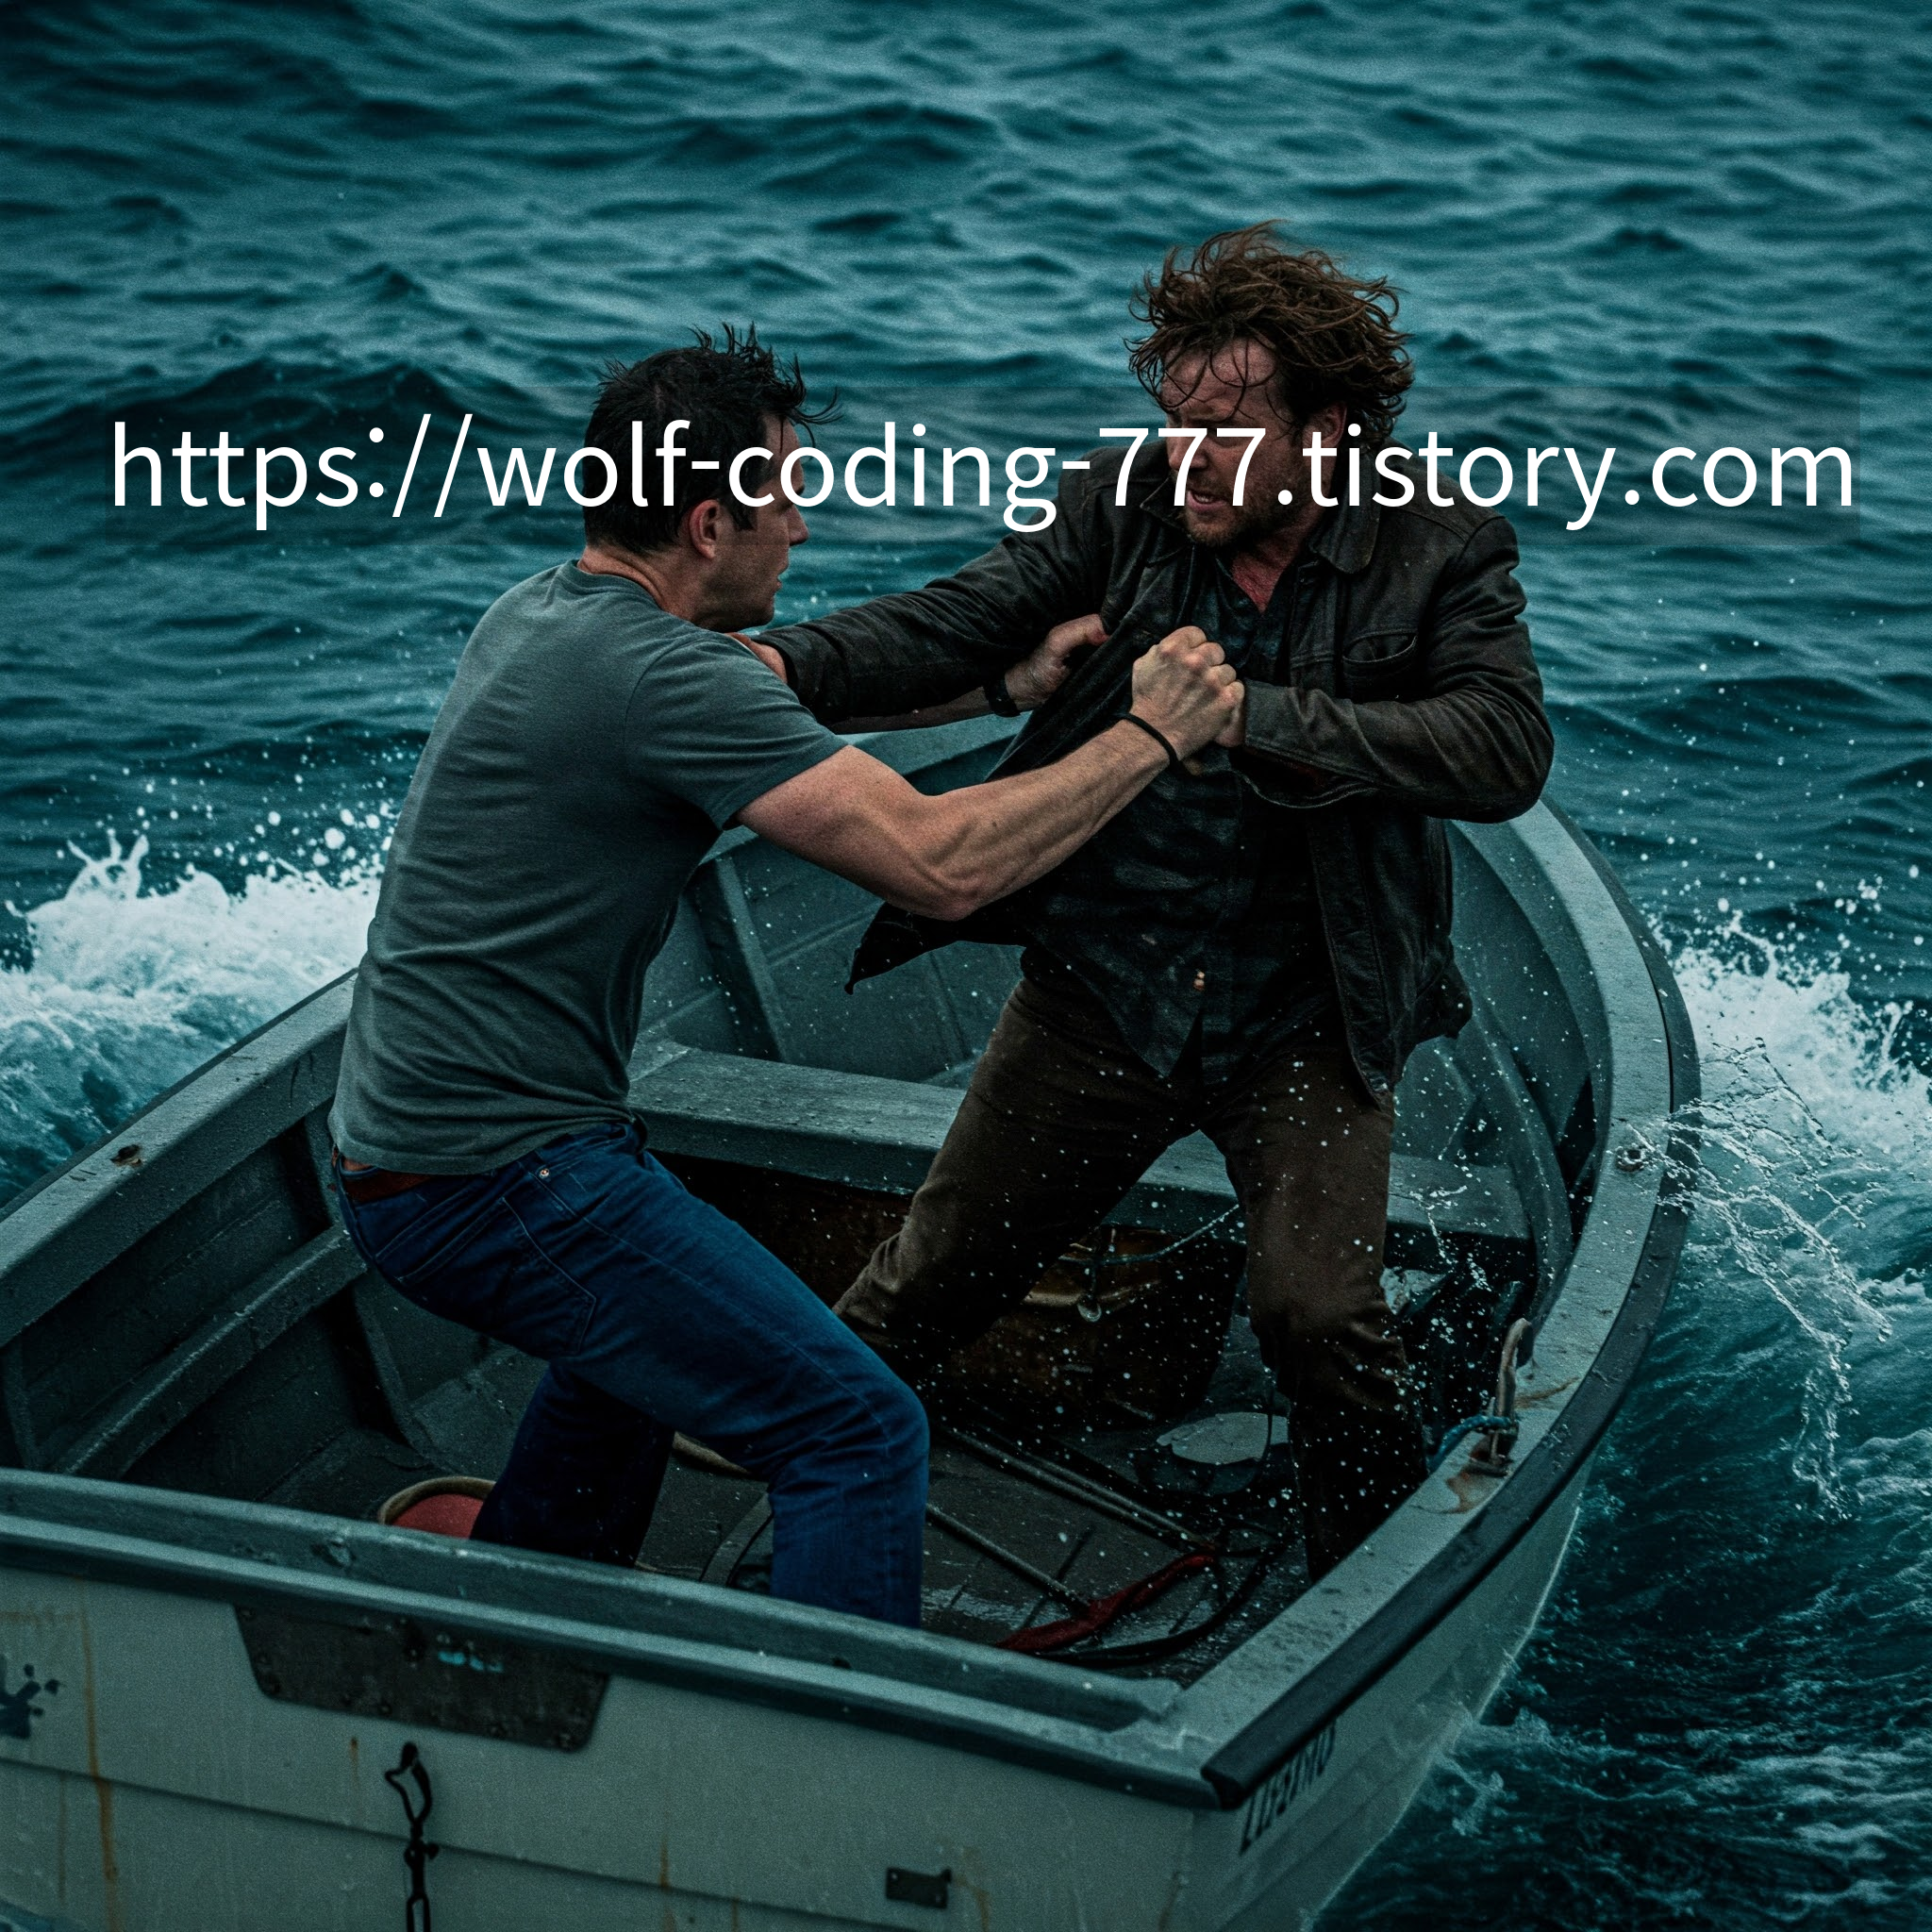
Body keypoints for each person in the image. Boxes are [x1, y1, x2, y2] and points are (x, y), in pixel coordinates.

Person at [326, 328, 1242, 1627]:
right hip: (494, 1181)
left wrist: (999, 688)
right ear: (710, 525)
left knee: (637, 1341)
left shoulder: (545, 614)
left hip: (411, 1150)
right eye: (786, 495)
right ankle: (835, 1731)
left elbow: (761, 714)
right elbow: (942, 867)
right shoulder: (659, 676)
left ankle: (540, 1575)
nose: (803, 528)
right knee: (857, 1429)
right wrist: (1152, 730)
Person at [758, 226, 1555, 1576]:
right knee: (926, 1283)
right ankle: (779, 1487)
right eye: (1176, 420)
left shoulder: (1440, 546)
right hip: (1106, 982)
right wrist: (774, 668)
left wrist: (1249, 717)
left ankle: (1362, 1579)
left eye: (1225, 432)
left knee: (1319, 1320)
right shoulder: (1125, 498)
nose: (1187, 454)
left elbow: (1504, 747)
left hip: (1309, 1010)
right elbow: (962, 619)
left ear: (1329, 433)